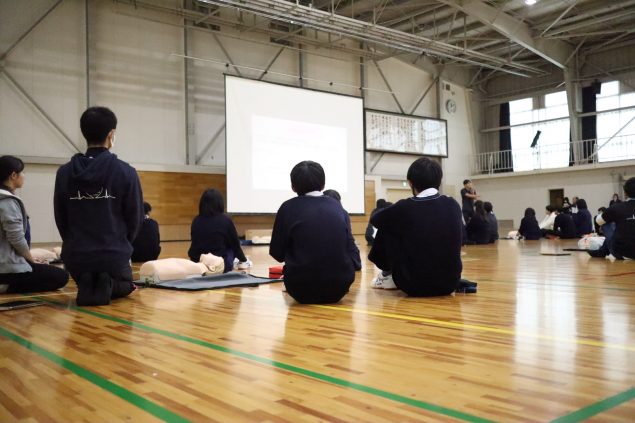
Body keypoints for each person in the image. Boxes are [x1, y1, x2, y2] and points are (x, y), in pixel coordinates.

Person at [54, 107, 143, 306]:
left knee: (89, 277)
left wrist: (73, 243)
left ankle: (88, 282)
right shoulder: (126, 172)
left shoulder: (64, 173)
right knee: (128, 285)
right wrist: (122, 245)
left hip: (76, 258)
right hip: (113, 255)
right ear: (111, 134)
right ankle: (109, 284)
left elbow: (61, 217)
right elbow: (135, 218)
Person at [368, 157, 462, 296]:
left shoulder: (405, 206)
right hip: (449, 283)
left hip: (412, 284)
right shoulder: (453, 204)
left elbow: (375, 219)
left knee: (388, 226)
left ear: (410, 183)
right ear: (439, 181)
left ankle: (386, 274)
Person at [270, 161, 361, 304]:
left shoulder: (287, 208)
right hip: (340, 286)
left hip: (300, 287)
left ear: (293, 187)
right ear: (323, 185)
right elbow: (349, 247)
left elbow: (277, 253)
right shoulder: (338, 207)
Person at [0, 156, 69, 293]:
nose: (24, 176)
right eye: (22, 172)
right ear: (13, 175)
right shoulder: (7, 202)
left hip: (7, 263)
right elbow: (16, 238)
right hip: (6, 268)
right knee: (61, 277)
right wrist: (30, 260)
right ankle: (5, 285)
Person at [188, 189, 251, 272]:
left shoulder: (196, 220)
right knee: (230, 246)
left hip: (198, 263)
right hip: (219, 264)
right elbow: (235, 246)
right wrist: (244, 260)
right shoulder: (225, 220)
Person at [589, 177, 635, 259]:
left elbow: (598, 221)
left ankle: (602, 251)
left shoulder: (616, 207)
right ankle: (602, 250)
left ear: (625, 193)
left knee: (606, 221)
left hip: (621, 252)